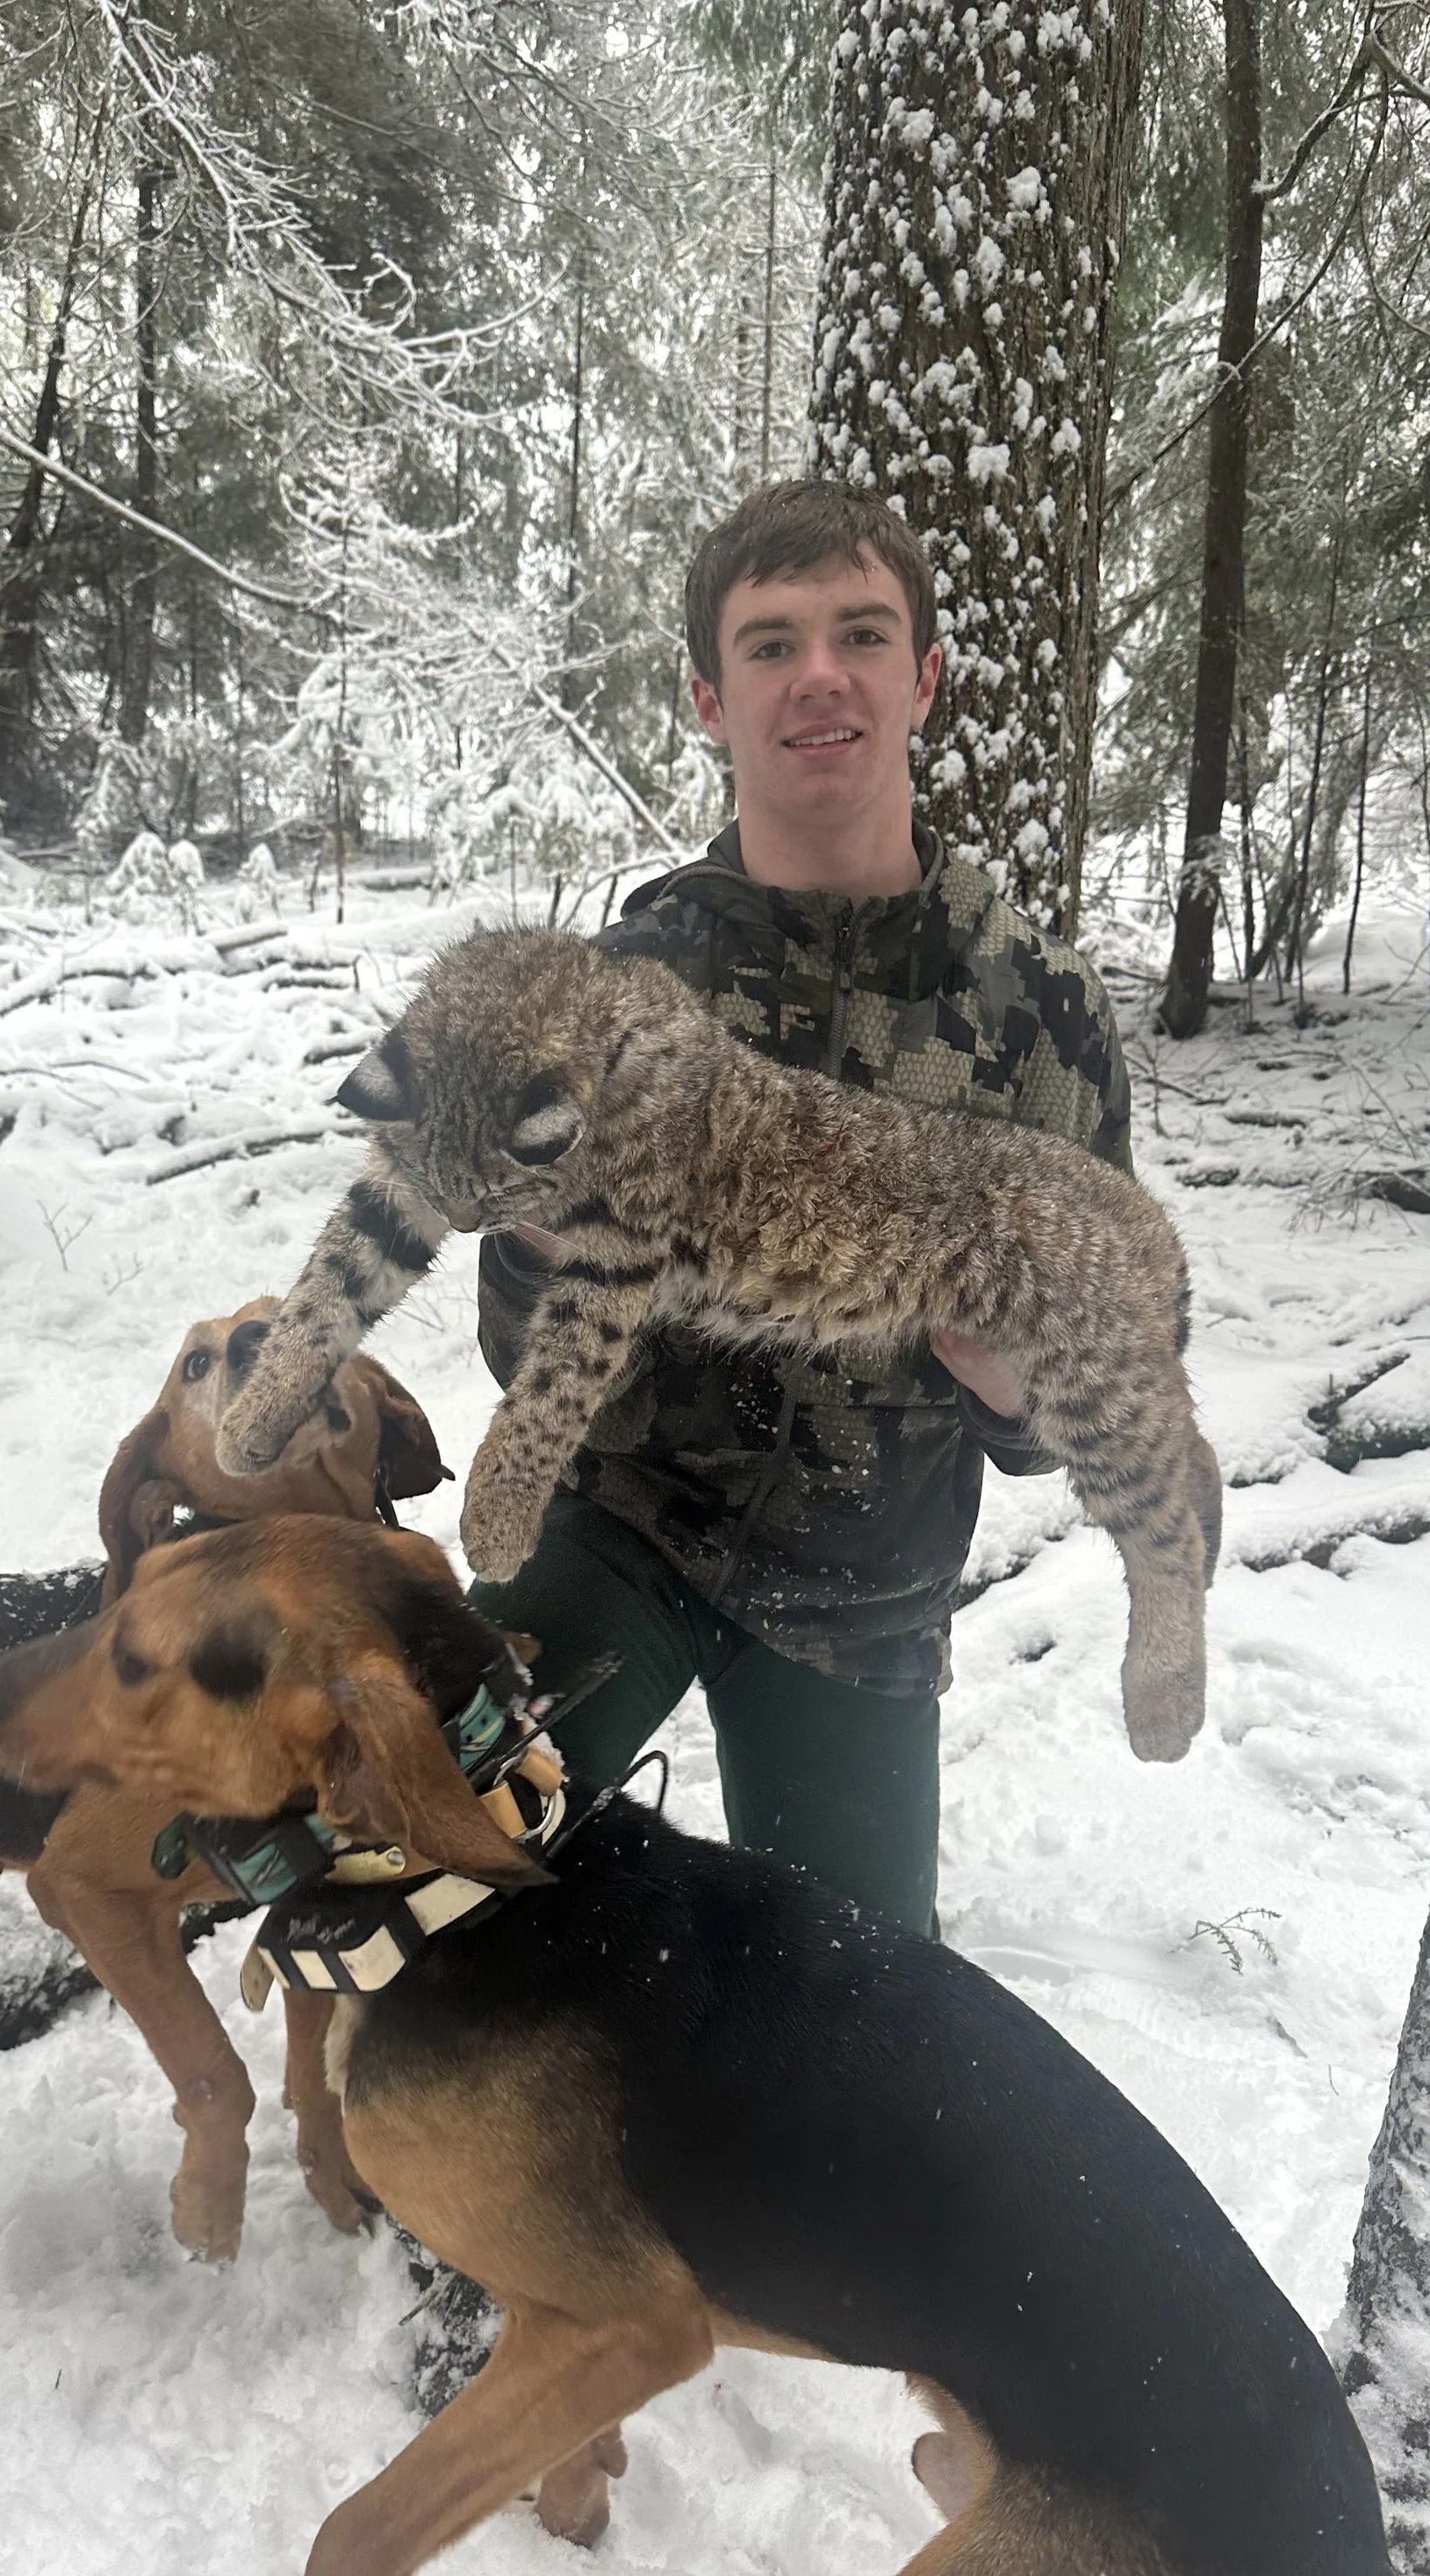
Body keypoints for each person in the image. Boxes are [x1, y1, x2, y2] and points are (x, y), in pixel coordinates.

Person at [470, 478, 1132, 1938]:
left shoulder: (1041, 1016)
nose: (818, 674)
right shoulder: (611, 990)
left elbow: (1063, 1418)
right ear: (710, 697)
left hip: (863, 1583)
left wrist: (1015, 1375)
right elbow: (519, 1354)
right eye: (770, 644)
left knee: (858, 2018)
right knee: (413, 1864)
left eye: (860, 633)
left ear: (926, 678)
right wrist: (534, 1234)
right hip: (617, 1525)